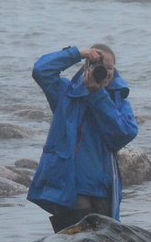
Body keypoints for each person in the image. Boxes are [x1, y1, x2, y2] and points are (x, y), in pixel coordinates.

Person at [28, 42, 138, 231]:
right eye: (100, 67)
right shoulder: (66, 92)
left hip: (102, 187)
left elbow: (122, 135)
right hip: (68, 186)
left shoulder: (118, 101)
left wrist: (98, 95)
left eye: (109, 68)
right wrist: (77, 53)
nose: (106, 72)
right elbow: (41, 70)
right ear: (87, 67)